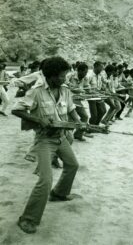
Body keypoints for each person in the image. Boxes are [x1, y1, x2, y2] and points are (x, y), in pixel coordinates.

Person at [12, 56, 82, 234]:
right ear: (51, 76)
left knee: (73, 165)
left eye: (65, 75)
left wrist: (79, 121)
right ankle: (28, 218)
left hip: (62, 137)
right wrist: (38, 119)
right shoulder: (36, 92)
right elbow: (16, 109)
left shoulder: (65, 90)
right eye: (61, 76)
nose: (64, 79)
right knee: (45, 180)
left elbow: (72, 109)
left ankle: (58, 193)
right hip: (44, 140)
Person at [66, 62, 90, 141]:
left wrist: (89, 91)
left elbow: (87, 87)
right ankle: (67, 137)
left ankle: (78, 134)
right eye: (84, 72)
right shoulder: (70, 76)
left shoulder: (85, 78)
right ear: (79, 71)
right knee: (71, 119)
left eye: (86, 72)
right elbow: (64, 85)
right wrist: (75, 89)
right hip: (68, 100)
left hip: (78, 100)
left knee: (85, 117)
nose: (85, 74)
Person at [87, 61, 106, 125]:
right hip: (91, 96)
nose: (102, 69)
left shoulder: (100, 75)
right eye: (101, 67)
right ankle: (89, 129)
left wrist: (103, 89)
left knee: (103, 111)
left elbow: (101, 85)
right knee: (94, 114)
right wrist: (90, 91)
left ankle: (95, 125)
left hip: (98, 95)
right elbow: (86, 86)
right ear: (96, 67)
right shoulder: (89, 75)